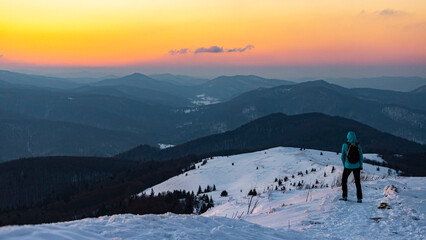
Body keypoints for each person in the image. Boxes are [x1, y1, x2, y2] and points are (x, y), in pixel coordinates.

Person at [340, 131, 363, 203]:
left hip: (348, 166)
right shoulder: (358, 145)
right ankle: (359, 198)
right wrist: (360, 165)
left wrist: (345, 164)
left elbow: (342, 156)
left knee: (344, 180)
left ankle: (345, 196)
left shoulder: (345, 145)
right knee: (357, 182)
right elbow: (361, 157)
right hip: (357, 166)